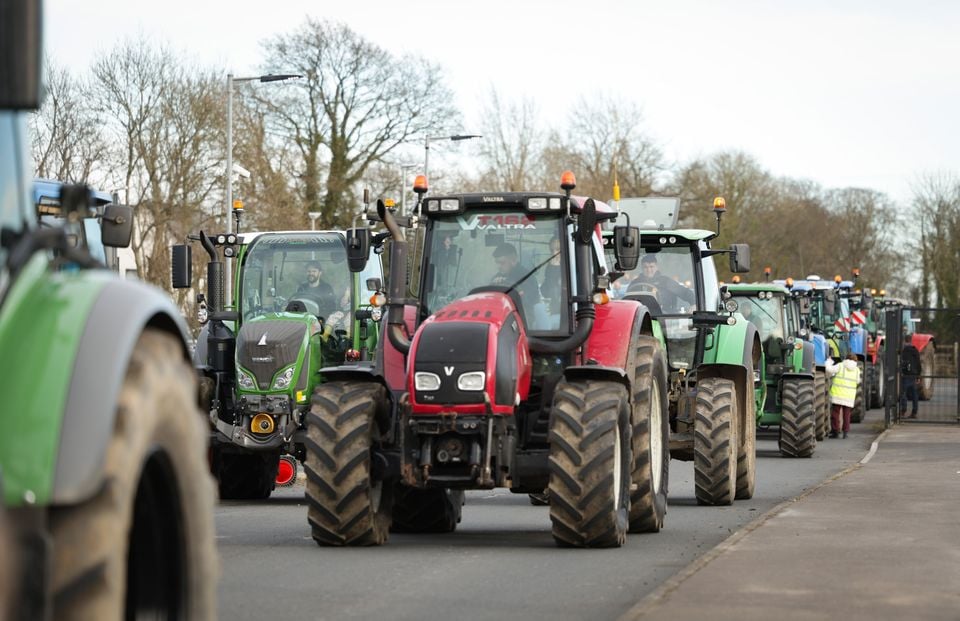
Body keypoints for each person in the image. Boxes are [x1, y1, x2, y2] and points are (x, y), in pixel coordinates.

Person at [627, 254, 696, 311]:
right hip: (642, 317)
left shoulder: (666, 281)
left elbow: (684, 292)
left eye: (651, 267)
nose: (649, 270)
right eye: (646, 267)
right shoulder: (635, 284)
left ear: (656, 267)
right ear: (642, 268)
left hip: (665, 317)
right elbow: (627, 299)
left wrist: (694, 303)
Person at [826, 353, 861, 438]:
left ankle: (836, 432)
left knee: (835, 413)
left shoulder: (840, 365)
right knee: (847, 414)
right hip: (849, 396)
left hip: (838, 394)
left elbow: (829, 370)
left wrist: (829, 361)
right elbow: (857, 381)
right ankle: (845, 433)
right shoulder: (857, 370)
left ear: (846, 358)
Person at [900, 335, 922, 419]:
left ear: (905, 340)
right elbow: (918, 363)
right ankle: (914, 412)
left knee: (903, 393)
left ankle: (903, 410)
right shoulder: (915, 350)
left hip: (905, 374)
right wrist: (918, 375)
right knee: (914, 394)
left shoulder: (903, 350)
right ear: (911, 340)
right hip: (914, 374)